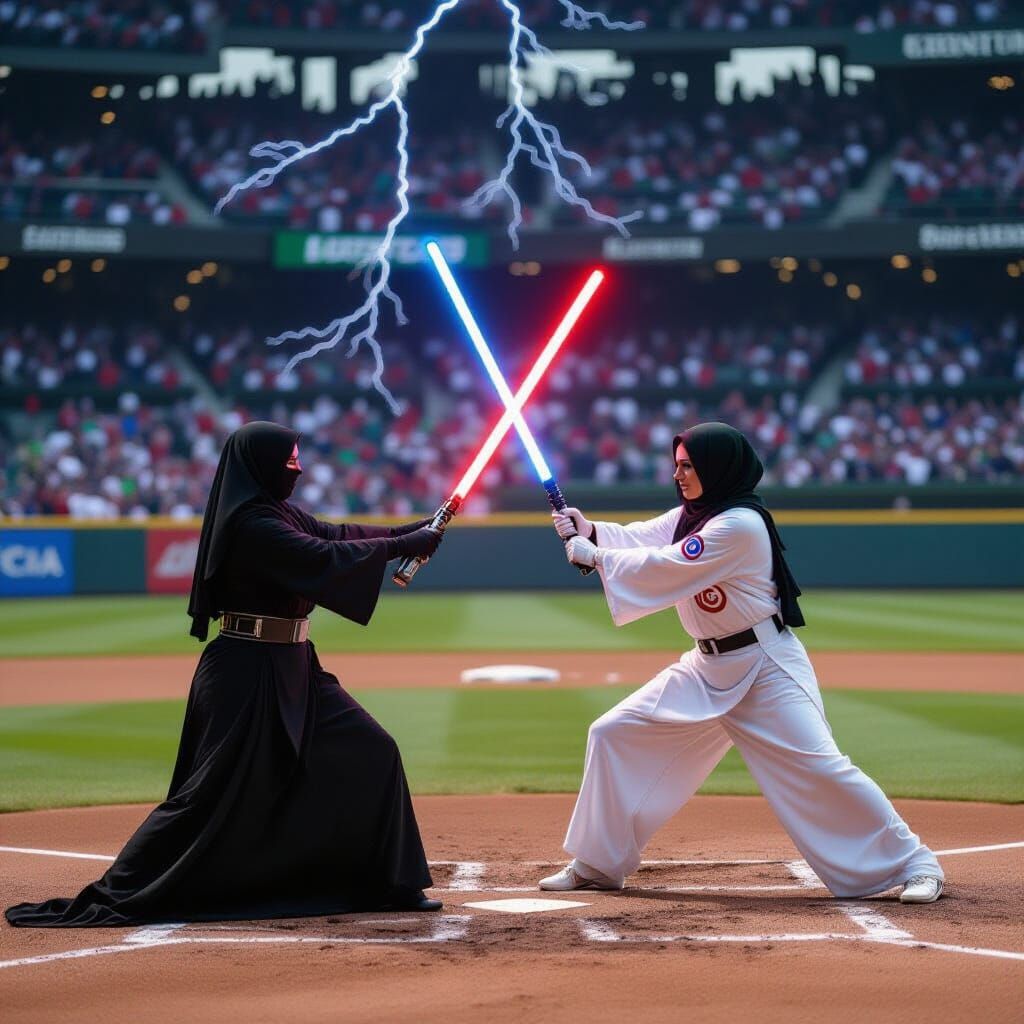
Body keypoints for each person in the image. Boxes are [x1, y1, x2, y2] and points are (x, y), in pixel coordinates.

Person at [7, 421, 444, 927]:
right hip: (244, 673)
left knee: (373, 749)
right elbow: (320, 555)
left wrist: (408, 531)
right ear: (261, 464)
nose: (297, 469)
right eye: (289, 460)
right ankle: (123, 887)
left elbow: (337, 533)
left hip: (296, 665)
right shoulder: (249, 524)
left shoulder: (276, 510)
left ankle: (389, 882)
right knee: (205, 798)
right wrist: (404, 543)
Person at [538, 422, 944, 905]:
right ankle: (600, 863)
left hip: (765, 665)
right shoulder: (695, 513)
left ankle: (916, 864)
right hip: (706, 667)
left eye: (688, 465)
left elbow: (667, 566)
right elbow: (643, 538)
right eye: (678, 464)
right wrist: (592, 531)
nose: (679, 474)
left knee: (821, 767)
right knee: (613, 732)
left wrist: (594, 555)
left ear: (717, 467)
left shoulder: (739, 524)